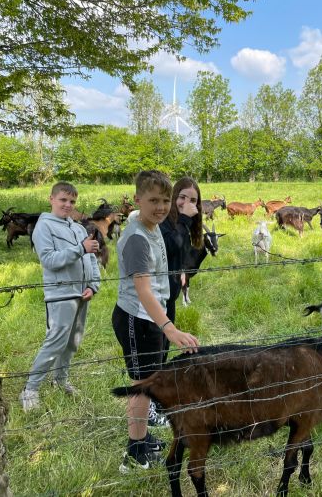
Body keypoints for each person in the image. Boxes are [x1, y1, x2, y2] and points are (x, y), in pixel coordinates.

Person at [112, 170, 199, 472]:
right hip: (138, 319)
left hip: (151, 317)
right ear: (138, 199)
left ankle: (142, 436)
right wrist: (169, 328)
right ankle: (135, 451)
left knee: (149, 380)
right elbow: (143, 290)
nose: (161, 207)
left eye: (165, 200)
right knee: (142, 386)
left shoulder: (153, 225)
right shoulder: (138, 238)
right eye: (153, 201)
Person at [19, 182, 101, 411]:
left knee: (73, 342)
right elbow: (49, 260)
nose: (68, 205)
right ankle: (30, 389)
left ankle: (60, 380)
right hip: (60, 294)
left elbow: (91, 258)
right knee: (55, 342)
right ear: (51, 199)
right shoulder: (44, 226)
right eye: (63, 200)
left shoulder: (78, 228)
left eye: (72, 201)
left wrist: (93, 285)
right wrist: (80, 249)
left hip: (82, 293)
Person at [159, 176, 203, 324]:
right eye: (182, 197)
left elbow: (182, 249)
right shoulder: (163, 220)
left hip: (169, 296)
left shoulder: (182, 222)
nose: (186, 204)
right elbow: (167, 247)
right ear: (174, 197)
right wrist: (184, 219)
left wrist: (182, 268)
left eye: (193, 200)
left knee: (167, 336)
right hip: (154, 299)